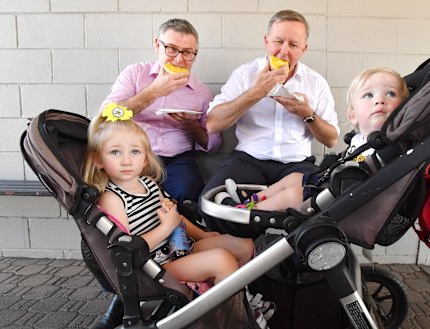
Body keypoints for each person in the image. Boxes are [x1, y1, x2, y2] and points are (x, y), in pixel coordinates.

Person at [202, 10, 340, 232]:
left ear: (303, 49)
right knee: (212, 203)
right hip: (248, 159)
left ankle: (289, 259)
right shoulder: (244, 74)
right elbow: (212, 124)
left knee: (321, 206)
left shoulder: (316, 83)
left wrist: (307, 114)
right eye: (278, 41)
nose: (284, 51)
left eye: (293, 44)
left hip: (296, 163)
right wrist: (256, 92)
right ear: (266, 41)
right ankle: (247, 253)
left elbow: (332, 139)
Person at [83, 107, 254, 283]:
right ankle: (228, 309)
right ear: (98, 160)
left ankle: (223, 292)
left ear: (146, 159)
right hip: (153, 265)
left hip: (177, 247)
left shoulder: (148, 184)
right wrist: (167, 227)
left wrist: (201, 235)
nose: (126, 160)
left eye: (135, 152)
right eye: (115, 152)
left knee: (244, 246)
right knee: (221, 260)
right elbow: (127, 250)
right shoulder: (112, 198)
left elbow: (175, 217)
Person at [217, 67, 409, 211]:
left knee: (293, 195)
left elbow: (366, 167)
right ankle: (248, 200)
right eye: (369, 95)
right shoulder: (361, 139)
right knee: (293, 179)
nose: (380, 100)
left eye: (390, 94)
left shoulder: (389, 147)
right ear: (352, 116)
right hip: (332, 182)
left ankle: (247, 212)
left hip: (345, 193)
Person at [100, 18, 219, 205]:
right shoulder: (135, 74)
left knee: (190, 193)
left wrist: (193, 126)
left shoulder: (201, 92)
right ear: (157, 45)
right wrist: (154, 91)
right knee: (127, 199)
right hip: (132, 154)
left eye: (187, 52)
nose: (179, 59)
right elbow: (107, 116)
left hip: (177, 160)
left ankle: (181, 233)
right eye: (171, 49)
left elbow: (213, 146)